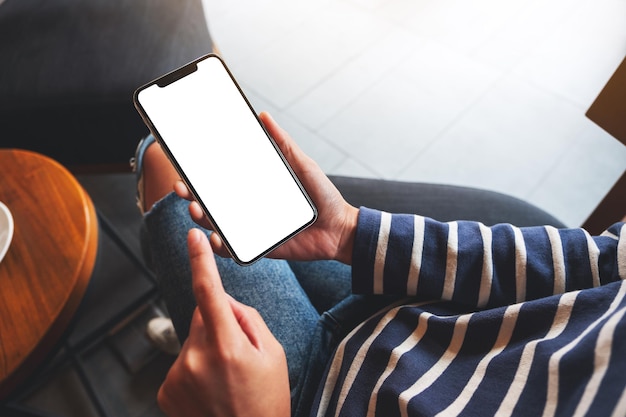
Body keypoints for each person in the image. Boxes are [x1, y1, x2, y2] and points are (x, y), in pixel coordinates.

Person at [133, 111, 626, 417]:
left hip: (306, 401)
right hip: (415, 308)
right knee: (189, 167)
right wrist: (350, 232)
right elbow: (598, 260)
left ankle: (197, 341)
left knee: (160, 160)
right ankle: (198, 339)